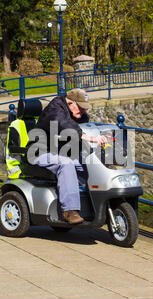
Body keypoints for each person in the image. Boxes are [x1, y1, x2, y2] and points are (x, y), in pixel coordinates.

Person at [30, 88, 107, 224]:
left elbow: (84, 125)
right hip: (41, 152)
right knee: (66, 163)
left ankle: (91, 202)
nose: (83, 112)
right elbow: (62, 123)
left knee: (87, 165)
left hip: (61, 151)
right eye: (81, 108)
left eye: (85, 109)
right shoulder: (54, 109)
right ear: (71, 103)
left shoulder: (77, 113)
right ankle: (69, 211)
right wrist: (86, 136)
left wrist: (101, 135)